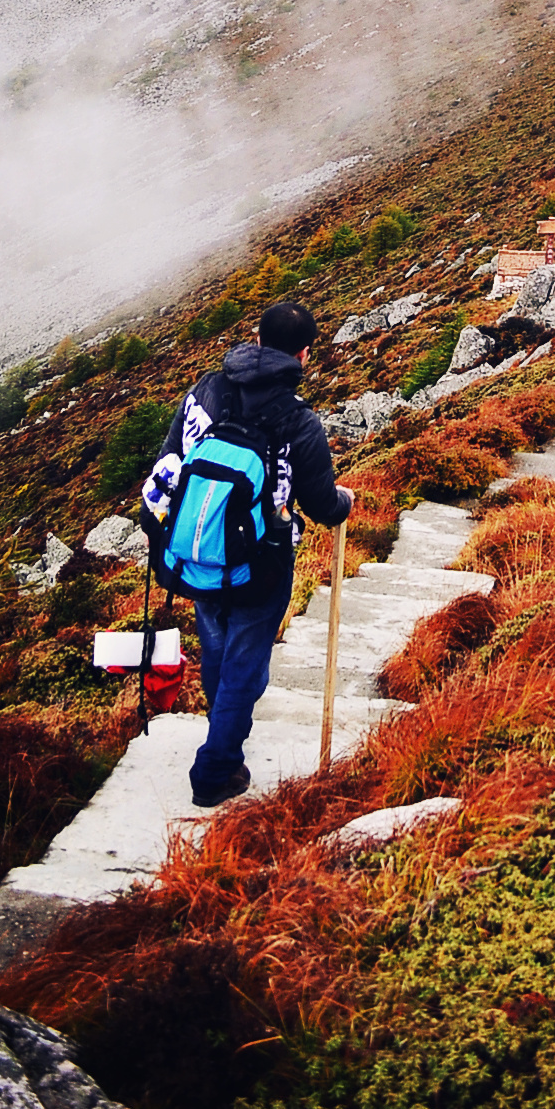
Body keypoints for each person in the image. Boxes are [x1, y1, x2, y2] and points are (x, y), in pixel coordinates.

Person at [144, 300, 352, 809]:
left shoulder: (205, 390)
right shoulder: (299, 420)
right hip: (262, 561)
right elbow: (323, 505)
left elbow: (171, 458)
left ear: (255, 339)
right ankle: (215, 769)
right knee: (245, 662)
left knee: (219, 648)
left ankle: (226, 731)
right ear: (305, 354)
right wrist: (344, 500)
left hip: (198, 551)